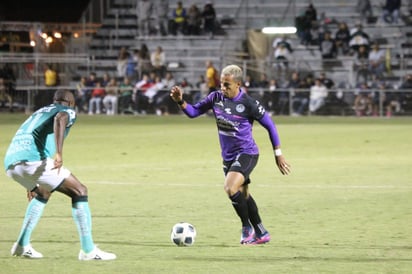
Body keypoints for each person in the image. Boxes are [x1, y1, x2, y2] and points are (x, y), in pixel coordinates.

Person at [169, 64, 291, 245]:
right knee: (243, 194)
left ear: (238, 84)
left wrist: (278, 154)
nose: (223, 88)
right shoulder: (215, 97)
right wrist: (181, 101)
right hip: (228, 156)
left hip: (247, 153)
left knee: (230, 188)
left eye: (227, 85)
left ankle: (246, 228)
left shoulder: (248, 103)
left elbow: (270, 126)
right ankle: (261, 232)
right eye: (221, 84)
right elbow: (194, 112)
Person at [4, 89, 116, 260]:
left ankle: (21, 245)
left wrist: (29, 180)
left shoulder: (40, 111)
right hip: (32, 160)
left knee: (43, 192)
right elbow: (61, 118)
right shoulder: (66, 110)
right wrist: (59, 153)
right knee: (80, 191)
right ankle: (88, 251)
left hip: (11, 163)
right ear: (71, 103)